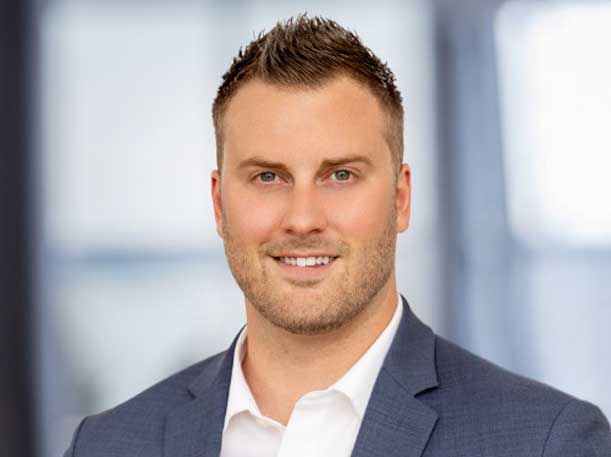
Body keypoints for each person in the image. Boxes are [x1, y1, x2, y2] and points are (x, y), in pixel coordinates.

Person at [63, 15, 610, 457]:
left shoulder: (547, 442)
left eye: (340, 175)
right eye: (268, 177)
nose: (303, 219)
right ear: (219, 204)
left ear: (401, 198)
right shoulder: (107, 446)